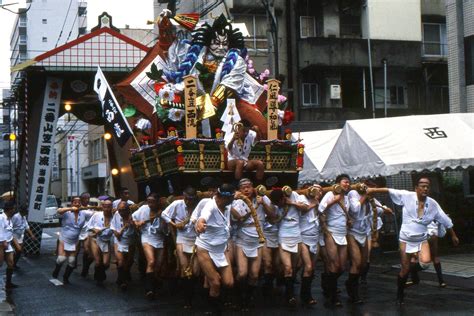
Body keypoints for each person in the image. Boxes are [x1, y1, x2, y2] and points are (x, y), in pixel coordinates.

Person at [367, 176, 459, 304]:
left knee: (426, 262)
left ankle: (411, 270)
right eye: (422, 185)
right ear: (416, 188)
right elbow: (389, 190)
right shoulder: (407, 196)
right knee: (404, 270)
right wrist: (372, 190)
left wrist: (453, 235)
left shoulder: (432, 204)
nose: (425, 188)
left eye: (427, 186)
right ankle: (400, 294)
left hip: (421, 238)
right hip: (405, 238)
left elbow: (445, 220)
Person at [231, 178, 275, 310]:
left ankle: (248, 298)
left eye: (248, 186)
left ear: (253, 187)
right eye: (243, 187)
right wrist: (249, 205)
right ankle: (239, 296)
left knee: (254, 274)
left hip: (258, 239)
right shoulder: (236, 202)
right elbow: (237, 218)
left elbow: (272, 215)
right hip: (242, 239)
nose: (246, 189)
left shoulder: (262, 198)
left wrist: (263, 204)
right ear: (239, 190)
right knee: (243, 273)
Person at [195, 183, 235, 314]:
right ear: (221, 197)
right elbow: (203, 216)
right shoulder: (210, 205)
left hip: (221, 248)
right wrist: (200, 223)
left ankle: (211, 300)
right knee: (216, 282)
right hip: (205, 247)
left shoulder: (227, 206)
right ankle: (213, 311)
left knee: (229, 283)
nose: (232, 201)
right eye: (231, 199)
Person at [161, 186, 200, 309]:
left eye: (191, 199)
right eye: (187, 199)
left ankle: (192, 293)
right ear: (184, 196)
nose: (189, 201)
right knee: (184, 268)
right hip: (182, 238)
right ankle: (187, 299)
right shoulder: (177, 204)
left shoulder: (199, 206)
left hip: (196, 239)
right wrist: (174, 224)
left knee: (195, 271)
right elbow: (164, 214)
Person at [270, 187, 309, 307]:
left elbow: (305, 208)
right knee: (287, 268)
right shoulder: (276, 205)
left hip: (296, 233)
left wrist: (290, 203)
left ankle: (289, 287)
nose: (279, 204)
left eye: (280, 202)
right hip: (283, 234)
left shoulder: (295, 196)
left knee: (295, 266)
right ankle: (290, 296)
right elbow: (273, 218)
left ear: (284, 198)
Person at [318, 174, 351, 307]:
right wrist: (334, 200)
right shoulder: (330, 194)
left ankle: (327, 281)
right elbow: (320, 209)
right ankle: (333, 297)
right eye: (345, 182)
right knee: (334, 265)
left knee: (342, 267)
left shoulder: (347, 198)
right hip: (330, 232)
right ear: (338, 183)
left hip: (342, 233)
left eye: (348, 183)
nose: (347, 185)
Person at [132, 192, 167, 299]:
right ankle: (149, 289)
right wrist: (137, 223)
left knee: (158, 265)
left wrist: (163, 220)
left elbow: (166, 231)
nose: (150, 204)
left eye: (152, 202)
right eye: (149, 202)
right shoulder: (143, 209)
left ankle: (154, 282)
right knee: (151, 261)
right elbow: (133, 217)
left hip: (159, 237)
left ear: (157, 202)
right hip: (147, 236)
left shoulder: (163, 213)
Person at [52, 196, 89, 284]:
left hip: (75, 240)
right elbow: (58, 211)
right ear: (72, 203)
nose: (77, 204)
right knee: (61, 258)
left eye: (79, 202)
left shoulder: (84, 213)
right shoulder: (67, 212)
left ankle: (66, 277)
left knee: (72, 261)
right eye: (75, 202)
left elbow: (96, 213)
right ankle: (57, 269)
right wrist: (70, 208)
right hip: (64, 238)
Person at [298, 184, 323, 306]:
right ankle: (306, 296)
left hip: (315, 237)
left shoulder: (319, 201)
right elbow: (303, 209)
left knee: (311, 268)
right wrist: (314, 203)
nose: (318, 192)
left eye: (320, 190)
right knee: (307, 267)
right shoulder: (302, 198)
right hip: (303, 237)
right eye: (316, 190)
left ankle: (305, 291)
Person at [87, 198, 114, 286]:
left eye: (109, 206)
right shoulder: (96, 215)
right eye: (105, 206)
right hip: (95, 239)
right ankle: (100, 279)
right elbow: (89, 226)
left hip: (106, 241)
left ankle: (98, 272)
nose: (107, 209)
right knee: (98, 261)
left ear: (112, 207)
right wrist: (95, 229)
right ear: (102, 207)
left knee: (106, 263)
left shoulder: (115, 217)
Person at [111, 201, 136, 290]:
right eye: (119, 210)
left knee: (129, 261)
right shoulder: (117, 214)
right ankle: (123, 281)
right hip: (119, 240)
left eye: (123, 210)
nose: (121, 212)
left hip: (130, 240)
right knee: (121, 261)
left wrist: (134, 224)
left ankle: (123, 275)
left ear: (127, 209)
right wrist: (116, 233)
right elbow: (113, 226)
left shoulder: (134, 215)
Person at [0, 201, 18, 289]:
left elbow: (9, 231)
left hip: (8, 243)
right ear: (9, 209)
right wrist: (3, 241)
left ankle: (8, 283)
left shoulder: (9, 218)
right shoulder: (1, 217)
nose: (14, 210)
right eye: (13, 208)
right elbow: (0, 230)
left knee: (11, 263)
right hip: (1, 243)